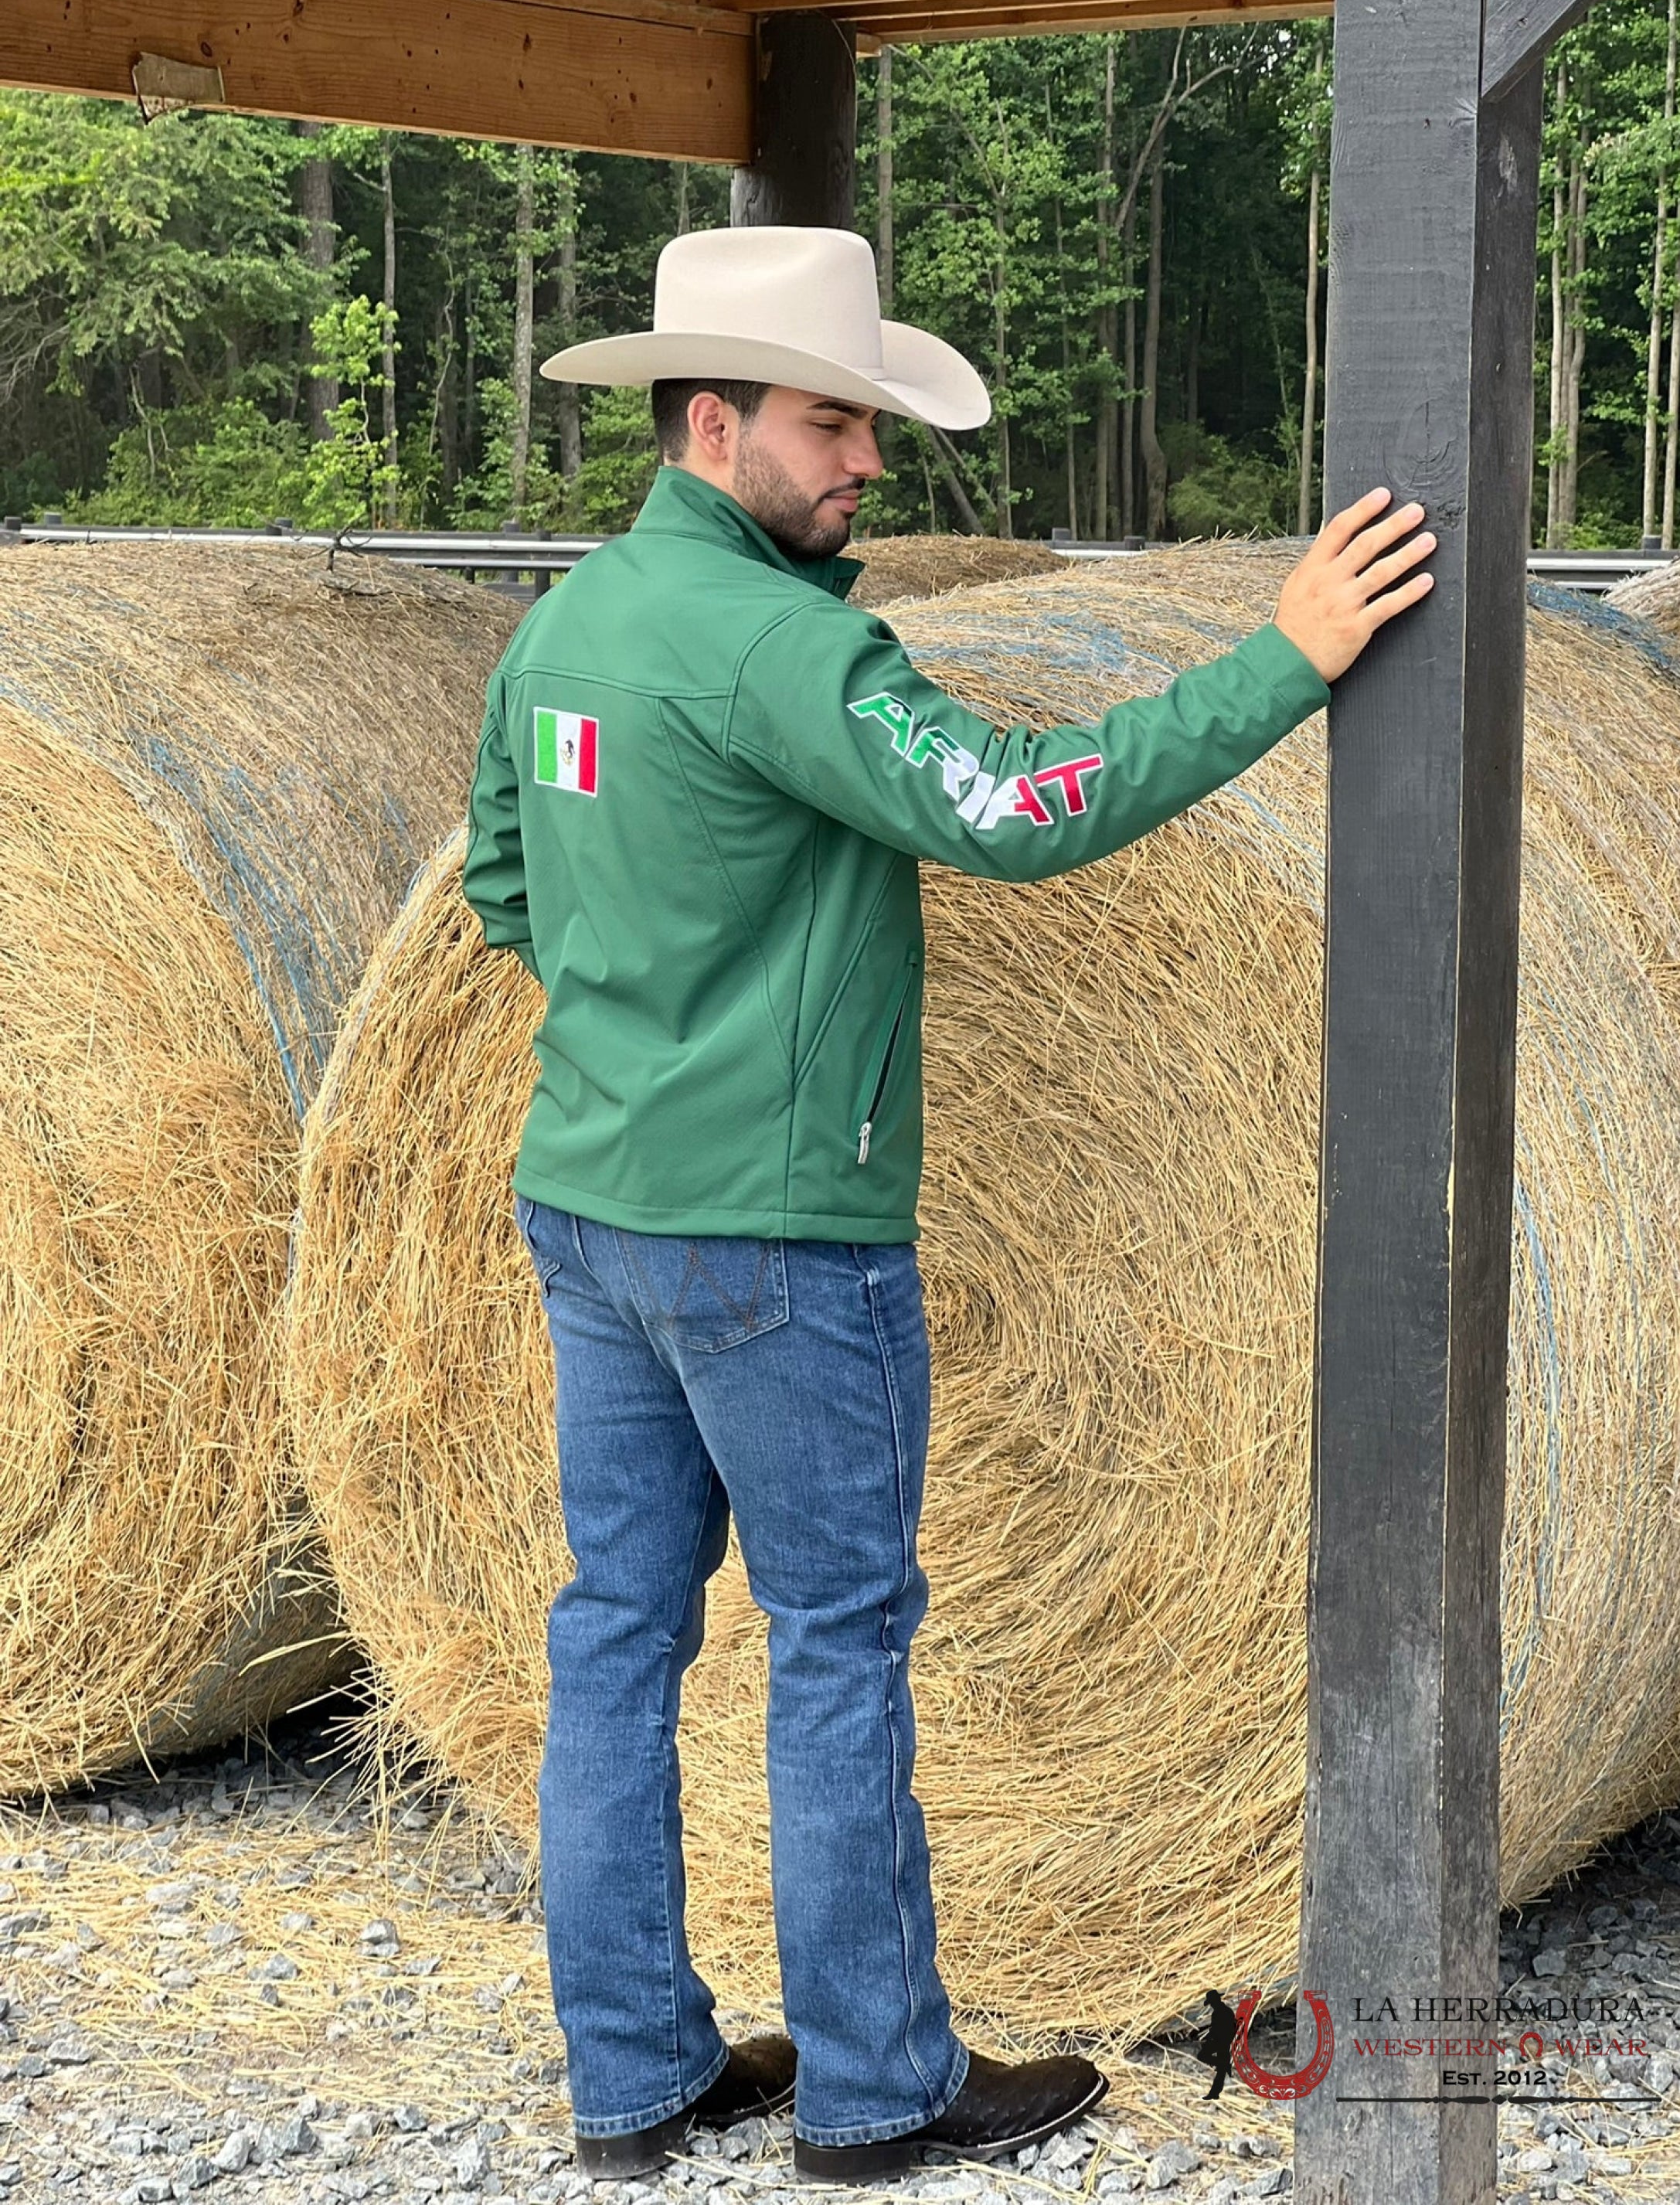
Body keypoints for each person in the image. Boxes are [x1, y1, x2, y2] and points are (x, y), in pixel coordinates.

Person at [461, 223, 1436, 2188]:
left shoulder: (566, 627)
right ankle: (879, 2089)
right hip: (775, 1241)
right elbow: (1013, 807)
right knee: (836, 1639)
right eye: (831, 425)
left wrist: (661, 1024)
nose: (869, 464)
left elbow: (503, 883)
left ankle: (634, 2075)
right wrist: (1288, 657)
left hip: (592, 1211)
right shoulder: (782, 645)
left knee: (614, 1634)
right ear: (712, 421)